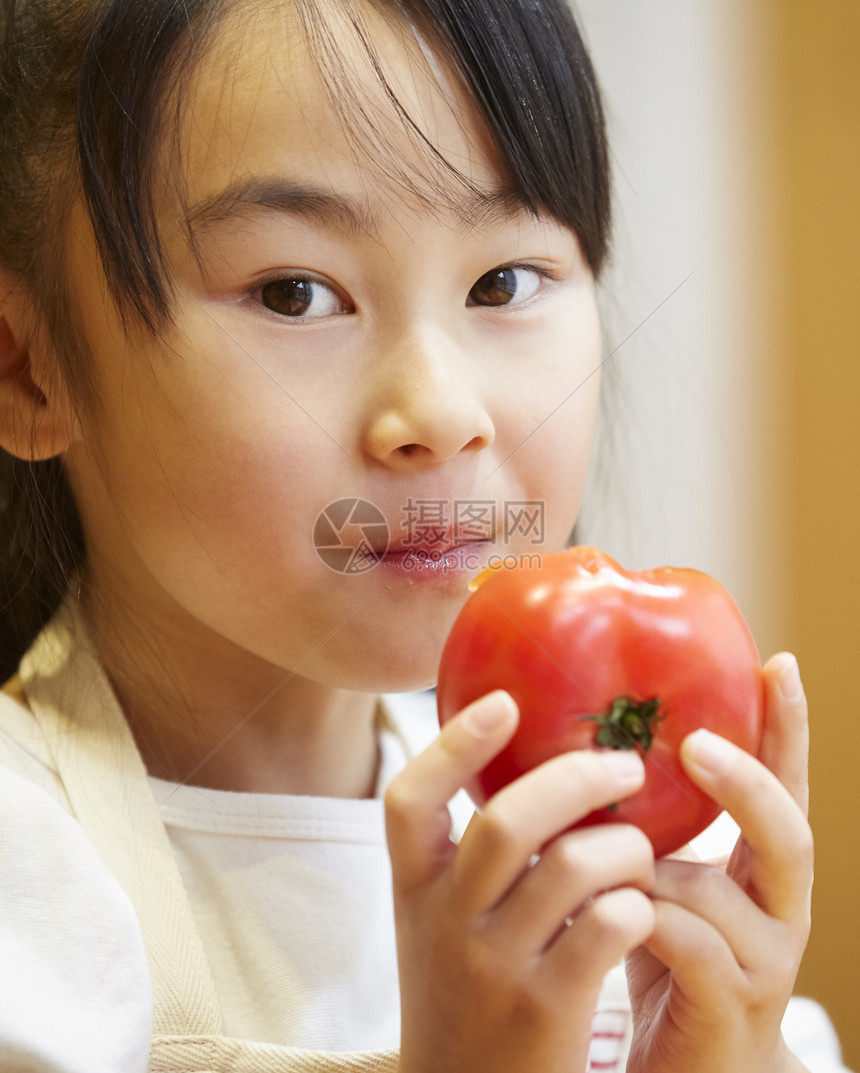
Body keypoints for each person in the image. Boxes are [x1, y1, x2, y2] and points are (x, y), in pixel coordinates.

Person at [0, 0, 849, 1070]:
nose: (441, 411)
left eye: (502, 282)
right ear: (28, 366)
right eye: (295, 292)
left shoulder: (650, 866)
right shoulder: (25, 893)